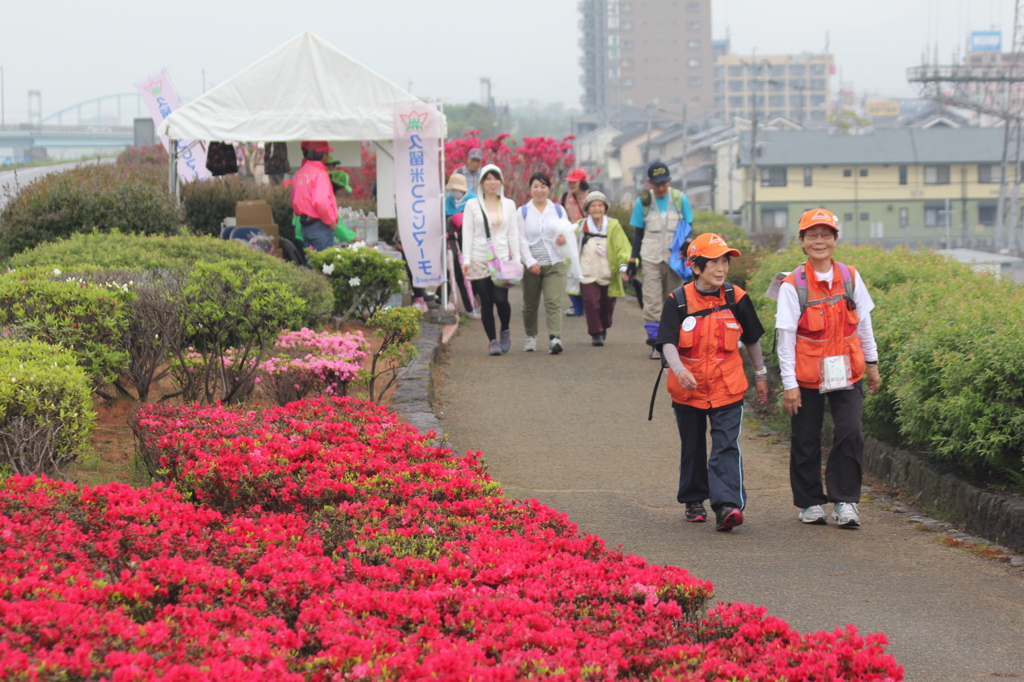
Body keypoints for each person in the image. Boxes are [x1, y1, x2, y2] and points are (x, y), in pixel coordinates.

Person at [655, 232, 769, 532]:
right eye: (713, 262)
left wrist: (761, 375)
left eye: (724, 262)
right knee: (692, 446)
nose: (721, 269)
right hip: (688, 389)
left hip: (727, 387)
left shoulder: (737, 298)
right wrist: (679, 370)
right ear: (696, 267)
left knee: (726, 445)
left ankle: (727, 506)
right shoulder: (677, 301)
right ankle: (694, 501)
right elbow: (666, 342)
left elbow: (752, 339)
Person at [776, 208, 881, 528]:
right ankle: (809, 503)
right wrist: (789, 384)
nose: (819, 241)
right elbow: (785, 339)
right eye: (812, 235)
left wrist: (873, 362)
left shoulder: (850, 276)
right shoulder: (792, 284)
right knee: (806, 437)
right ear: (802, 242)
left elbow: (864, 324)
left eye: (825, 235)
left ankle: (845, 501)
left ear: (835, 239)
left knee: (851, 432)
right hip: (806, 375)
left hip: (847, 370)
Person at [627, 161, 695, 359]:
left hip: (675, 259)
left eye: (664, 183)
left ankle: (672, 343)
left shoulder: (679, 198)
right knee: (652, 300)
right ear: (649, 182)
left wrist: (688, 243)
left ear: (670, 180)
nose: (661, 187)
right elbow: (638, 233)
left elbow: (689, 224)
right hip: (650, 257)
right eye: (656, 184)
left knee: (673, 300)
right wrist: (633, 260)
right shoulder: (643, 202)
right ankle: (656, 343)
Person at [461, 164, 521, 356]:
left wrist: (517, 259)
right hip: (478, 258)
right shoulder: (472, 204)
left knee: (500, 299)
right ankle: (492, 341)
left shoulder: (509, 205)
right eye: (488, 178)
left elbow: (513, 233)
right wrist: (466, 259)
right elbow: (467, 232)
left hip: (502, 258)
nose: (492, 182)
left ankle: (505, 330)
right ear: (482, 182)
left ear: (501, 182)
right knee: (486, 301)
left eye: (496, 178)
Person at [517, 172, 576, 354]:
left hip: (555, 263)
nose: (539, 190)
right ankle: (530, 336)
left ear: (549, 189)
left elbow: (567, 234)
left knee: (553, 301)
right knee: (530, 304)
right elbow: (521, 240)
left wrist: (562, 239)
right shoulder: (523, 211)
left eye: (543, 186)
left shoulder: (558, 210)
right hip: (531, 265)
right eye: (536, 186)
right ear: (530, 189)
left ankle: (555, 338)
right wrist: (529, 261)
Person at [575, 191, 631, 346]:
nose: (597, 208)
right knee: (591, 302)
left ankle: (603, 326)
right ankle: (596, 333)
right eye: (593, 205)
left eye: (600, 205)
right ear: (588, 208)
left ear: (605, 208)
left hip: (608, 272)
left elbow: (623, 248)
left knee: (608, 305)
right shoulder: (581, 226)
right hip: (587, 272)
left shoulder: (613, 225)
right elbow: (569, 242)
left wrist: (623, 267)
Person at [291, 141, 338, 252]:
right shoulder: (320, 173)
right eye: (327, 153)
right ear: (323, 155)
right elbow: (321, 202)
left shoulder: (301, 171)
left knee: (311, 265)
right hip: (320, 225)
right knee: (324, 266)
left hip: (305, 225)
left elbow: (294, 198)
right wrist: (331, 222)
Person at [445, 173, 478, 318]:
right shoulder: (448, 202)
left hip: (470, 247)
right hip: (453, 248)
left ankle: (473, 306)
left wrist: (452, 235)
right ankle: (469, 307)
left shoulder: (474, 202)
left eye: (456, 189)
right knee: (454, 274)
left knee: (468, 279)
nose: (454, 192)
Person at [560, 168, 590, 317]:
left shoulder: (591, 197)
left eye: (574, 182)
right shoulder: (566, 196)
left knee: (585, 271)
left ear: (582, 182)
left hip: (587, 239)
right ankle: (574, 304)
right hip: (570, 239)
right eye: (569, 182)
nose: (571, 185)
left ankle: (587, 303)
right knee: (570, 272)